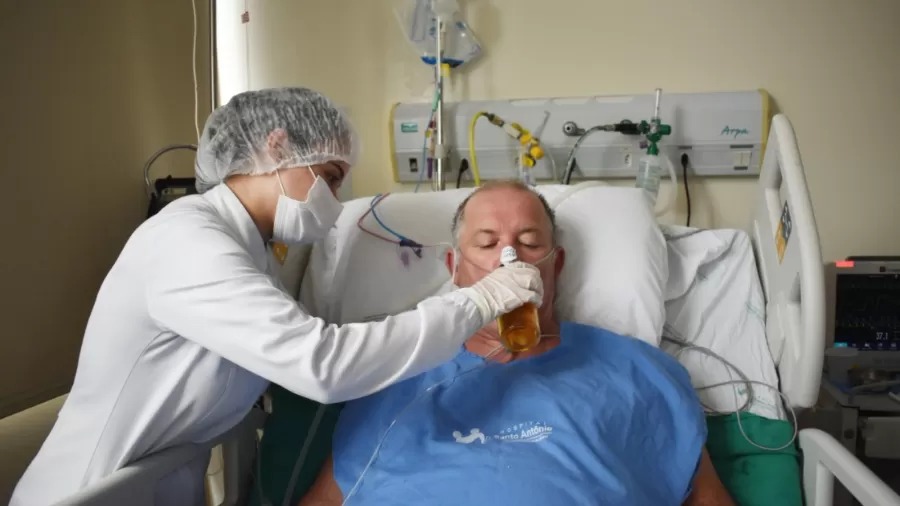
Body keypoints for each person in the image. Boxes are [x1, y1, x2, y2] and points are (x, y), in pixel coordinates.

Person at [10, 88, 543, 506]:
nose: (335, 200)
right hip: (90, 489)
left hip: (156, 483)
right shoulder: (186, 241)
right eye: (330, 177)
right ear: (278, 146)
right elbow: (323, 364)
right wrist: (476, 301)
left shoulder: (255, 253)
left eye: (530, 242)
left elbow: (288, 354)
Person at [298, 181, 735, 506]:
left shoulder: (636, 369)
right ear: (455, 267)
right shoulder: (398, 367)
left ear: (555, 265)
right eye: (487, 243)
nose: (509, 258)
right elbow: (328, 499)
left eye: (529, 242)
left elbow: (705, 497)